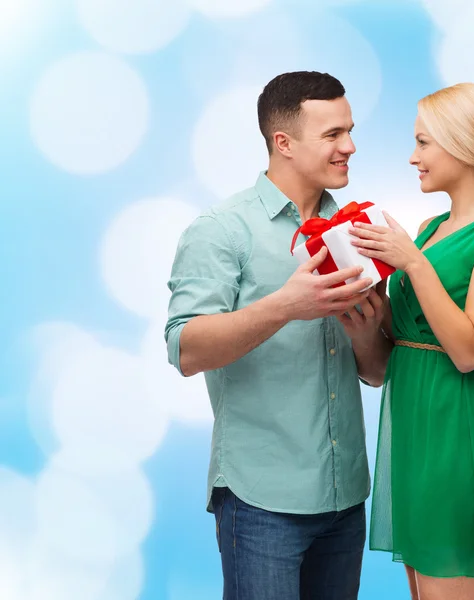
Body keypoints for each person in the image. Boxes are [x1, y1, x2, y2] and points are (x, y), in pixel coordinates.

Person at [164, 71, 392, 600]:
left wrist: (364, 336)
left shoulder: (358, 231)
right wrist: (287, 306)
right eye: (333, 134)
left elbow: (377, 371)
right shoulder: (221, 229)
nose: (350, 147)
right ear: (283, 143)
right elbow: (185, 348)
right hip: (261, 500)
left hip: (345, 496)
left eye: (350, 131)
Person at [348, 83, 474, 600]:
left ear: (465, 145)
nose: (413, 157)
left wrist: (411, 263)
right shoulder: (428, 230)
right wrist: (370, 317)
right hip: (411, 431)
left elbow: (469, 350)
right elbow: (395, 356)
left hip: (456, 435)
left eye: (424, 143)